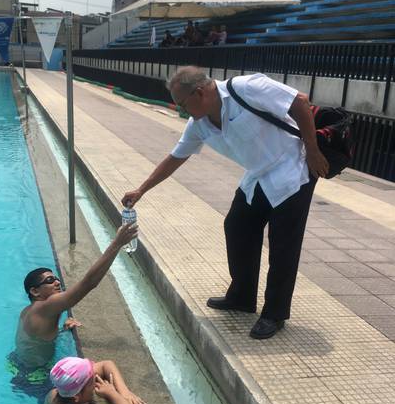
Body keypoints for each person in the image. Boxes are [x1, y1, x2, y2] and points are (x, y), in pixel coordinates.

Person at [122, 66, 329, 340]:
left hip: (292, 169)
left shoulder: (246, 88)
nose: (181, 110)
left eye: (182, 103)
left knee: (283, 244)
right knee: (237, 227)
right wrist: (141, 190)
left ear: (199, 93)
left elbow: (300, 102)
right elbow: (175, 157)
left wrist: (312, 150)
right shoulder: (199, 124)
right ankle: (242, 297)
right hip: (258, 177)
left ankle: (275, 313)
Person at [9, 223, 137, 395]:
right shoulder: (45, 307)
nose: (57, 282)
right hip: (35, 376)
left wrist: (61, 330)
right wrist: (117, 244)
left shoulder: (29, 311)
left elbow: (36, 340)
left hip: (16, 364)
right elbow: (89, 283)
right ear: (34, 291)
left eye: (55, 278)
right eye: (49, 280)